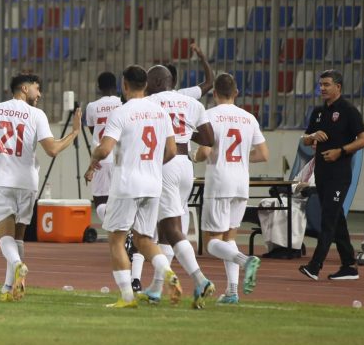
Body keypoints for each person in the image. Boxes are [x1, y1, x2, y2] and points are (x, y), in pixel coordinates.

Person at [0, 73, 81, 301]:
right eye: (37, 88)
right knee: (18, 236)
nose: (39, 94)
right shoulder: (37, 115)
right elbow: (52, 150)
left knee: (5, 237)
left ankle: (18, 265)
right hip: (27, 182)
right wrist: (75, 132)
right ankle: (8, 288)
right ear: (24, 88)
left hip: (2, 181)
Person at [86, 65, 178, 309]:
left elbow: (105, 149)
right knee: (144, 239)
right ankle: (168, 272)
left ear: (125, 85)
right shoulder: (161, 112)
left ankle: (127, 296)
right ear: (145, 85)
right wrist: (152, 166)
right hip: (153, 184)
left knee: (116, 239)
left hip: (127, 184)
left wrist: (94, 156)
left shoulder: (121, 112)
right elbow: (171, 150)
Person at [138, 65, 215, 308]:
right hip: (185, 166)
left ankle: (200, 279)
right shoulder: (192, 103)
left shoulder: (149, 102)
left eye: (148, 82)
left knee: (170, 228)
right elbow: (209, 139)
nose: (146, 87)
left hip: (165, 163)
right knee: (166, 228)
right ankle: (156, 289)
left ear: (156, 82)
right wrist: (186, 132)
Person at [194, 73, 269, 304]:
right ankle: (232, 291)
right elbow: (263, 154)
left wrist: (194, 156)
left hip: (219, 182)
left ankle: (246, 261)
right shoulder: (249, 118)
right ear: (236, 93)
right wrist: (243, 158)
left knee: (211, 242)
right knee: (229, 237)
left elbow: (205, 151)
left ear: (214, 93)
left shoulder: (208, 116)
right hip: (241, 183)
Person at [298, 69, 364, 281]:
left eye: (326, 84)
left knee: (328, 219)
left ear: (338, 87)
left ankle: (315, 266)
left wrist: (341, 151)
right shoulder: (318, 112)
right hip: (321, 172)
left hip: (339, 174)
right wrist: (312, 135)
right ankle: (349, 265)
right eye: (320, 84)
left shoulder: (349, 110)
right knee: (337, 219)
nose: (322, 88)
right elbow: (305, 139)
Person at [84, 72, 121, 227]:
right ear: (116, 86)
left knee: (100, 201)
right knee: (121, 199)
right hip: (120, 158)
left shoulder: (92, 107)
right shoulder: (122, 103)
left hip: (101, 159)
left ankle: (115, 228)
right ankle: (123, 230)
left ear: (99, 87)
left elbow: (93, 131)